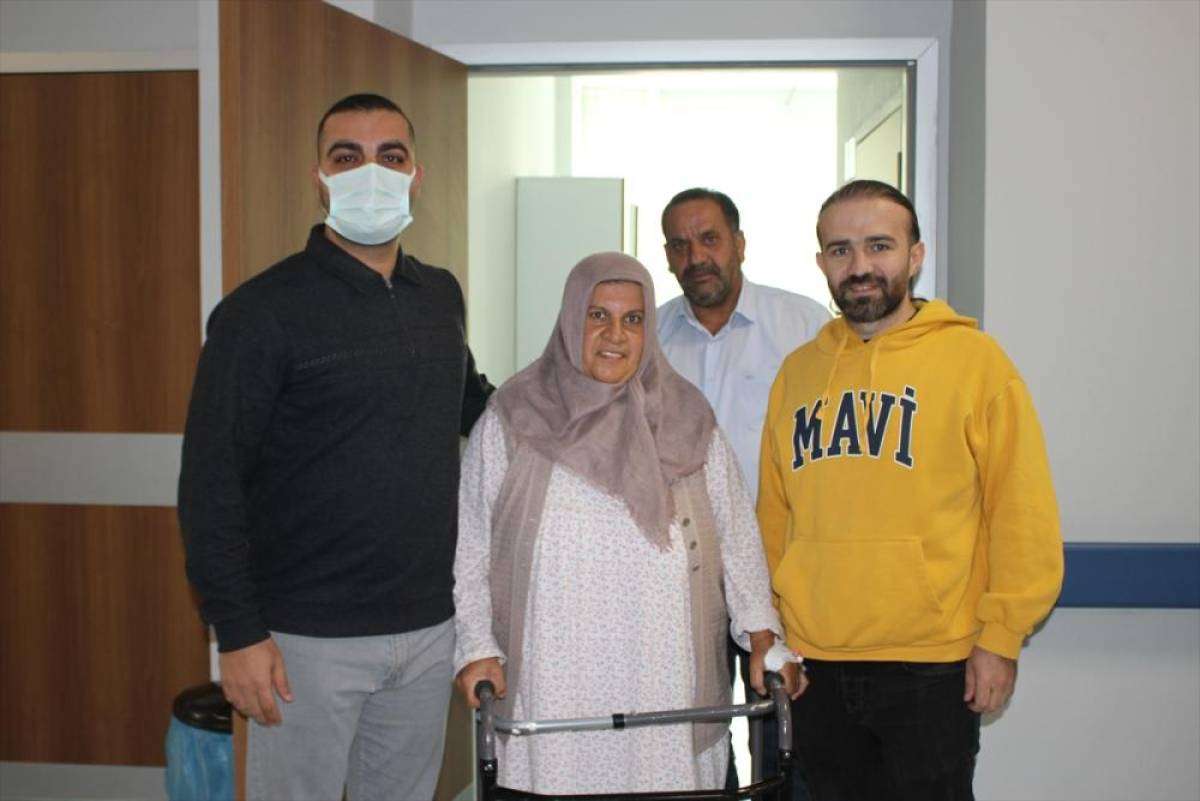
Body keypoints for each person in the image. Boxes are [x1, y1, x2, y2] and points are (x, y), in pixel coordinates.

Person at [178, 93, 493, 801]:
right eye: (347, 157)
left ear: (416, 176)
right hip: (304, 641)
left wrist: (573, 404)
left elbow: (475, 405)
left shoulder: (438, 295)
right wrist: (238, 634)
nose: (370, 173)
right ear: (319, 178)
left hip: (427, 630)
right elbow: (210, 482)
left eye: (391, 156)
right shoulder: (260, 312)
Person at [757, 179, 1064, 800]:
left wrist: (1001, 638)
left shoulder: (977, 364)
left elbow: (1021, 511)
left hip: (933, 665)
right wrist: (773, 633)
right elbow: (773, 515)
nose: (860, 266)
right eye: (841, 250)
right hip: (817, 663)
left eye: (879, 246)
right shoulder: (798, 373)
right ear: (821, 262)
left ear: (915, 256)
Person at [453, 252, 802, 795]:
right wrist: (477, 648)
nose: (615, 334)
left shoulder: (691, 420)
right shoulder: (511, 419)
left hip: (665, 690)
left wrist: (762, 637)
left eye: (633, 319)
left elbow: (737, 542)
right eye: (598, 315)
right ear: (571, 318)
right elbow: (471, 547)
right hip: (553, 694)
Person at [657, 187, 828, 792]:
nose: (696, 256)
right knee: (695, 738)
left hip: (779, 576)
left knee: (786, 739)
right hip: (684, 579)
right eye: (680, 245)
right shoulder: (649, 338)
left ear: (739, 244)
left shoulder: (804, 326)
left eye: (709, 239)